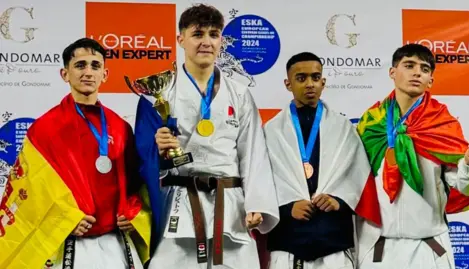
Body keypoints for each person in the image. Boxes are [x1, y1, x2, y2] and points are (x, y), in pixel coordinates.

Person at [133, 3, 279, 269]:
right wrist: (160, 151)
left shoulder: (240, 93)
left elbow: (254, 153)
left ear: (221, 40)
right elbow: (142, 158)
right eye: (198, 34)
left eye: (213, 34)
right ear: (181, 39)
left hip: (230, 203)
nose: (206, 42)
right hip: (179, 201)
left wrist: (256, 203)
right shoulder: (159, 94)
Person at [0, 38, 150, 269]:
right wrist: (63, 219)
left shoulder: (120, 127)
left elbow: (136, 181)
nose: (88, 72)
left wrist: (132, 212)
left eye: (95, 65)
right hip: (67, 242)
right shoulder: (44, 128)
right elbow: (31, 189)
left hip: (115, 242)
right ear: (65, 74)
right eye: (80, 65)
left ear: (105, 74)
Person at [356, 43, 469, 269]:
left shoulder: (443, 125)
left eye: (424, 69)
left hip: (428, 248)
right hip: (378, 248)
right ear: (392, 72)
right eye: (409, 65)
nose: (416, 73)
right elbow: (356, 181)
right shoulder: (370, 124)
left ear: (430, 80)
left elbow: (464, 188)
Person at [263, 52, 381, 269]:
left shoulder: (344, 128)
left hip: (333, 241)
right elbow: (259, 183)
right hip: (288, 242)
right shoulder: (270, 131)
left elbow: (361, 180)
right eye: (301, 78)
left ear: (323, 82)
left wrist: (339, 200)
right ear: (288, 84)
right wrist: (288, 207)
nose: (310, 84)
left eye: (316, 78)